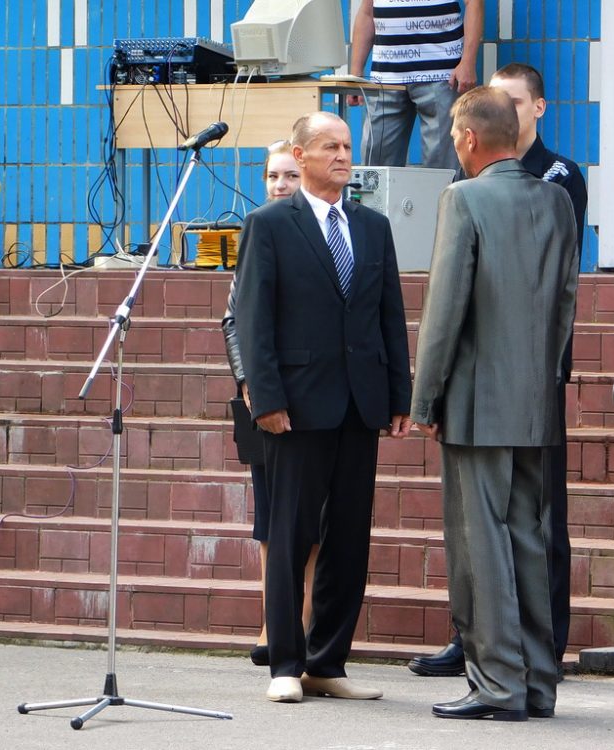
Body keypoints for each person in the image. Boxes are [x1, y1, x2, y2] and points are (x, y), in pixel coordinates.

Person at [407, 62, 586, 679]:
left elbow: (444, 312)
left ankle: (496, 682)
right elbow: (565, 302)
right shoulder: (557, 199)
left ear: (467, 139)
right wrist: (545, 377)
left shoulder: (464, 198)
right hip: (537, 398)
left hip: (477, 404)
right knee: (530, 539)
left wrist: (424, 399)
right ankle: (536, 680)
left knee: (479, 541)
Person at [233, 111, 413, 704]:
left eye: (347, 145)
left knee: (349, 539)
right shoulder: (269, 224)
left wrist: (399, 395)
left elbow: (389, 314)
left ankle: (326, 661)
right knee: (289, 534)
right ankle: (285, 663)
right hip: (296, 405)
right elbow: (254, 319)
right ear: (300, 154)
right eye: (330, 146)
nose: (342, 155)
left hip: (361, 403)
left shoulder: (372, 225)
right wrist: (266, 398)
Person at [221, 140, 319, 668]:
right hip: (264, 396)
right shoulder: (257, 231)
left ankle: (304, 619)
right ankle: (272, 621)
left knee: (314, 522)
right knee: (270, 517)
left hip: (315, 396)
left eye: (290, 176)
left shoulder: (323, 233)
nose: (280, 185)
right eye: (272, 176)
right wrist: (247, 380)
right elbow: (234, 319)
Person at [348, 0, 484, 171]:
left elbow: (474, 4)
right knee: (375, 167)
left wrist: (468, 62)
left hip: (441, 74)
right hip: (386, 76)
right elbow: (367, 12)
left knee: (443, 167)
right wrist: (356, 74)